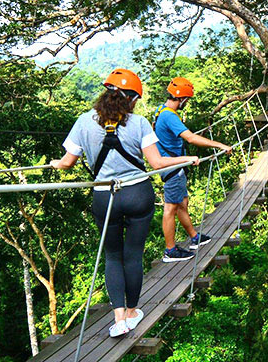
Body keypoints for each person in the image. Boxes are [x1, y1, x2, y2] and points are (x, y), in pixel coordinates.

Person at [50, 68, 199, 338]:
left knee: (112, 256)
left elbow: (67, 163)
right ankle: (132, 312)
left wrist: (55, 164)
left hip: (104, 197)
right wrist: (186, 159)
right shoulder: (139, 122)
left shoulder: (84, 121)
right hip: (137, 195)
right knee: (132, 256)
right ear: (131, 99)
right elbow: (156, 163)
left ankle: (119, 318)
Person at [154, 77, 233, 263]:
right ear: (181, 98)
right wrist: (220, 146)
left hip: (174, 164)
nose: (186, 103)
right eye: (186, 100)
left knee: (182, 202)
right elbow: (190, 138)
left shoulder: (160, 110)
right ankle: (170, 250)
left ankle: (195, 237)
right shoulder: (170, 116)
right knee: (171, 207)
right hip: (173, 165)